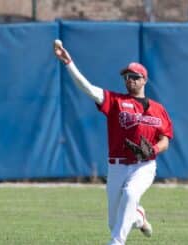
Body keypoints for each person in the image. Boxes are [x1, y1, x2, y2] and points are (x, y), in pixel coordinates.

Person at [53, 40, 173, 245]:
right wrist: (69, 63)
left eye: (134, 77)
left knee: (131, 193)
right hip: (116, 165)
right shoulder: (116, 101)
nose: (130, 80)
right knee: (114, 220)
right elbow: (88, 88)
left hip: (144, 165)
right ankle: (138, 216)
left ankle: (117, 242)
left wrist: (153, 149)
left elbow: (165, 140)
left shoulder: (157, 109)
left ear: (144, 80)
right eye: (127, 77)